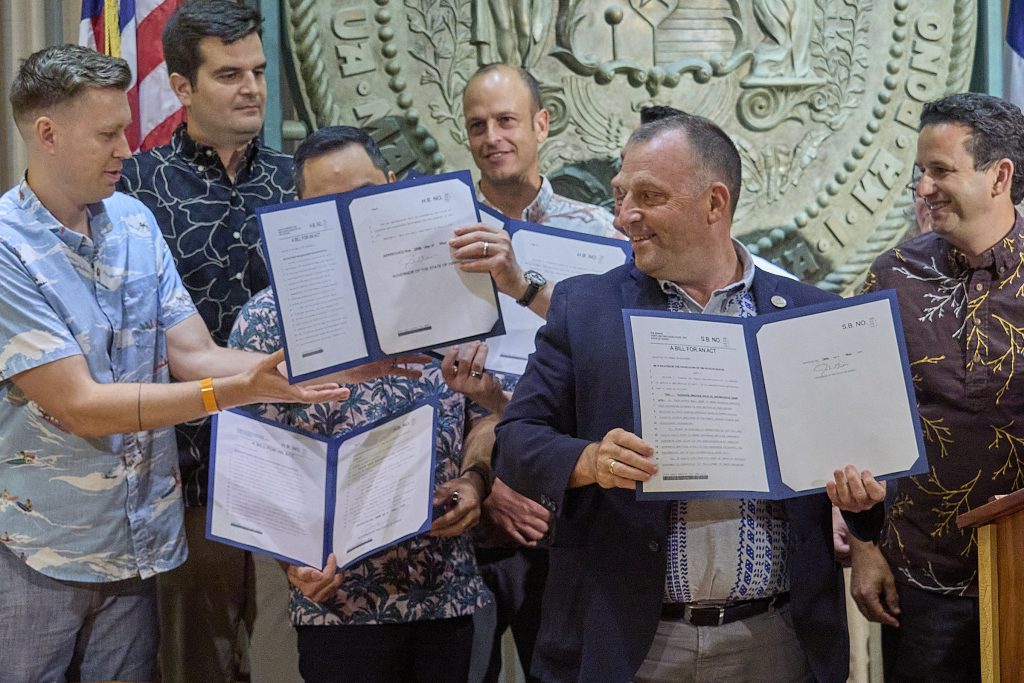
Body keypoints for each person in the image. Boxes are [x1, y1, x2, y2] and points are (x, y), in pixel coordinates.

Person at [0, 44, 346, 683]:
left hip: (139, 547)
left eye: (126, 130)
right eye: (106, 134)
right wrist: (233, 391)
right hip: (40, 551)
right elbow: (78, 405)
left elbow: (192, 353)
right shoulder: (5, 247)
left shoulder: (133, 222)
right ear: (45, 134)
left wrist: (322, 371)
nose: (126, 150)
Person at [493, 113, 852, 682]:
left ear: (715, 203)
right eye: (620, 195)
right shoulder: (586, 308)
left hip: (775, 641)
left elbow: (858, 471)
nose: (623, 216)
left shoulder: (810, 315)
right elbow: (515, 442)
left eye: (649, 196)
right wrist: (587, 462)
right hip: (634, 642)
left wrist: (863, 500)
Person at [228, 125, 494, 683]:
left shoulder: (456, 299)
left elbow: (487, 415)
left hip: (447, 592)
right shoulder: (265, 320)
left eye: (362, 197)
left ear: (392, 187)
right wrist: (292, 564)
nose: (347, 219)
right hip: (338, 602)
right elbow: (254, 460)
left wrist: (474, 480)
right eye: (326, 207)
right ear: (298, 213)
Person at [116, 2, 298, 680]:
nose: (252, 87)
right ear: (182, 87)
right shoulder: (133, 189)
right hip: (187, 474)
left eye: (256, 71)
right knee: (197, 663)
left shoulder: (297, 181)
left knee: (291, 663)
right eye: (229, 74)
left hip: (293, 468)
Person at [447, 63, 621, 682]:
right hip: (467, 524)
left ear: (541, 125)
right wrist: (488, 482)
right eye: (477, 125)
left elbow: (611, 368)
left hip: (567, 516)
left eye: (506, 120)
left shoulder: (600, 237)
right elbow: (422, 381)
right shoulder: (440, 240)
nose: (492, 136)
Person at [846, 92, 1024, 683]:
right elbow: (857, 421)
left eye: (941, 170)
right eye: (921, 171)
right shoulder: (891, 276)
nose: (923, 187)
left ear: (1000, 176)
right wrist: (865, 548)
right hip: (919, 584)